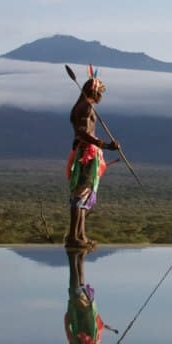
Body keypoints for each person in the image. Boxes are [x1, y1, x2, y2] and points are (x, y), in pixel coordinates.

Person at [65, 69, 119, 248]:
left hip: (85, 153)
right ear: (93, 91)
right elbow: (82, 132)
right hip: (86, 154)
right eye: (99, 92)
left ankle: (80, 236)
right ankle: (74, 237)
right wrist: (105, 145)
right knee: (80, 195)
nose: (101, 96)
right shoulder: (86, 107)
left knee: (83, 196)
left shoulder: (80, 105)